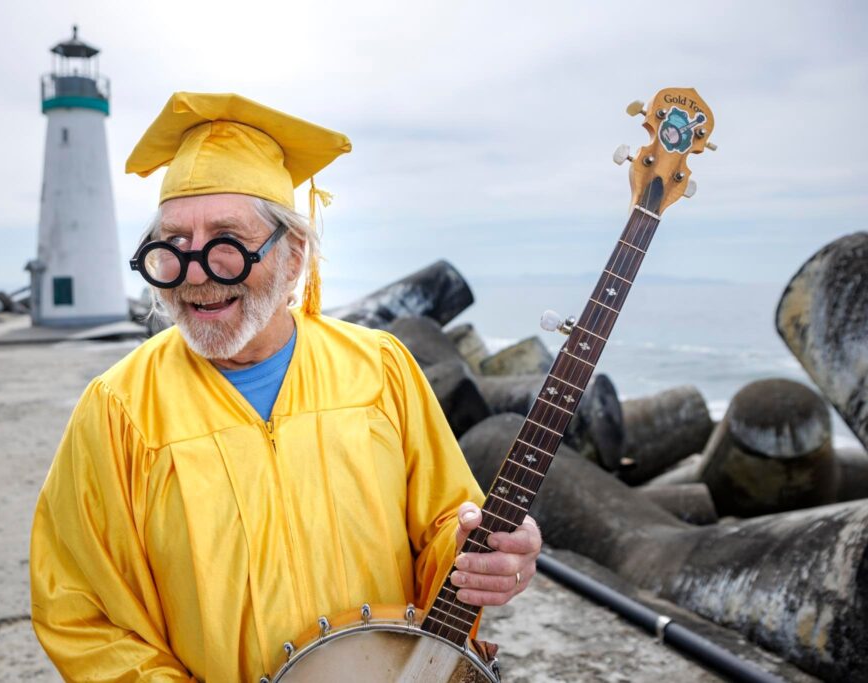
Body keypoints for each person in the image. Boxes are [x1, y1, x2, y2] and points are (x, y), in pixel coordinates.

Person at [29, 92, 542, 682]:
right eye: (173, 245)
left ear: (293, 256)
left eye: (226, 242)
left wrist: (490, 555)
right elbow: (78, 607)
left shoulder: (380, 369)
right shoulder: (119, 409)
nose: (195, 273)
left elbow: (446, 526)